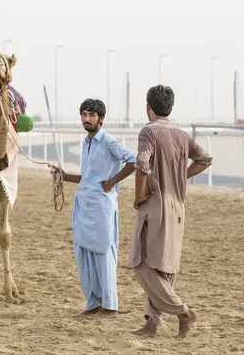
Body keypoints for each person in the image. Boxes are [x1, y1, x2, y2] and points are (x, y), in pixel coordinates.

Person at [128, 85, 212, 338]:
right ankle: (152, 324)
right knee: (165, 264)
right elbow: (205, 159)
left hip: (156, 203)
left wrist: (138, 194)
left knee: (141, 262)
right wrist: (179, 178)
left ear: (148, 107)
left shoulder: (148, 132)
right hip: (178, 205)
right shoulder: (181, 134)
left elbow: (142, 163)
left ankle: (183, 311)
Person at [51, 99, 136, 317]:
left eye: (91, 115)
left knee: (103, 253)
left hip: (101, 206)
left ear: (101, 118)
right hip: (83, 203)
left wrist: (112, 182)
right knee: (83, 254)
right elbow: (88, 177)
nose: (86, 119)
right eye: (83, 114)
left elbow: (134, 161)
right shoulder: (86, 142)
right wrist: (64, 175)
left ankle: (110, 306)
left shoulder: (108, 141)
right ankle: (93, 304)